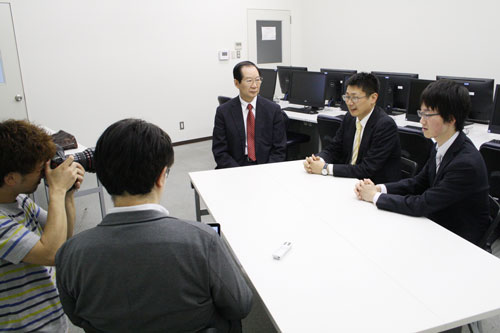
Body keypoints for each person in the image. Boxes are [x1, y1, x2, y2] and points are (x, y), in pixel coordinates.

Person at [55, 118, 253, 332]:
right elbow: (240, 306)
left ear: (102, 177)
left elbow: (76, 317)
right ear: (161, 176)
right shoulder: (202, 240)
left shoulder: (69, 253)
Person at [355, 79, 489, 244]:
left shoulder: (465, 163)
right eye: (421, 113)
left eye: (428, 114)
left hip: (458, 239)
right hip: (436, 222)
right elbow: (418, 183)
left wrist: (374, 197)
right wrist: (380, 188)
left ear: (452, 119)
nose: (422, 121)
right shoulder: (441, 144)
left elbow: (422, 204)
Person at [0, 119, 84, 332]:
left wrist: (66, 195)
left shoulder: (19, 201)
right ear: (11, 178)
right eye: (40, 170)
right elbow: (51, 253)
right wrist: (56, 191)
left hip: (49, 319)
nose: (45, 174)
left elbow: (63, 239)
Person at [303, 72, 401, 183]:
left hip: (373, 187)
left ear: (373, 98)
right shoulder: (349, 118)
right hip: (349, 181)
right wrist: (317, 160)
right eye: (347, 97)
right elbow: (334, 149)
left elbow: (366, 169)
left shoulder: (385, 125)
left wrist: (325, 168)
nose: (349, 102)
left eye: (355, 98)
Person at [212, 60, 286, 168]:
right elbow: (220, 151)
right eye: (249, 81)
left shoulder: (273, 110)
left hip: (264, 166)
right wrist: (237, 172)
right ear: (237, 83)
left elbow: (279, 149)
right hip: (235, 167)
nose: (255, 85)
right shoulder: (223, 112)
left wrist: (267, 170)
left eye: (258, 80)